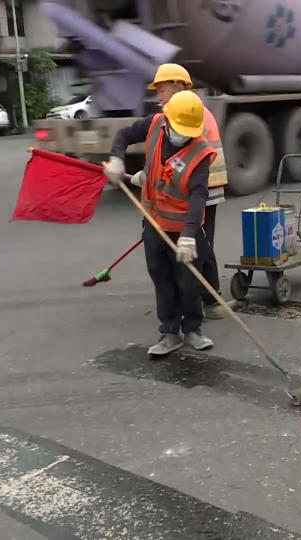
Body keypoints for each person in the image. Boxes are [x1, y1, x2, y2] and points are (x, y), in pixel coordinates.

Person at [105, 90, 217, 357]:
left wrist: (189, 235)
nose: (183, 136)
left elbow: (199, 194)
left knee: (189, 282)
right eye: (180, 130)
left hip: (184, 229)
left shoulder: (201, 152)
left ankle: (193, 330)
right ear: (168, 120)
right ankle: (169, 332)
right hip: (154, 223)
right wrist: (117, 159)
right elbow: (123, 136)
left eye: (189, 132)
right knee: (162, 278)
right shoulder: (155, 123)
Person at [136, 63, 229, 320]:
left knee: (201, 245)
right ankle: (190, 299)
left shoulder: (193, 115)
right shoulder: (176, 114)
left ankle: (211, 299)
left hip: (204, 188)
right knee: (191, 246)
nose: (158, 95)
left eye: (162, 89)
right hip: (187, 190)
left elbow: (186, 161)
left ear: (178, 86)